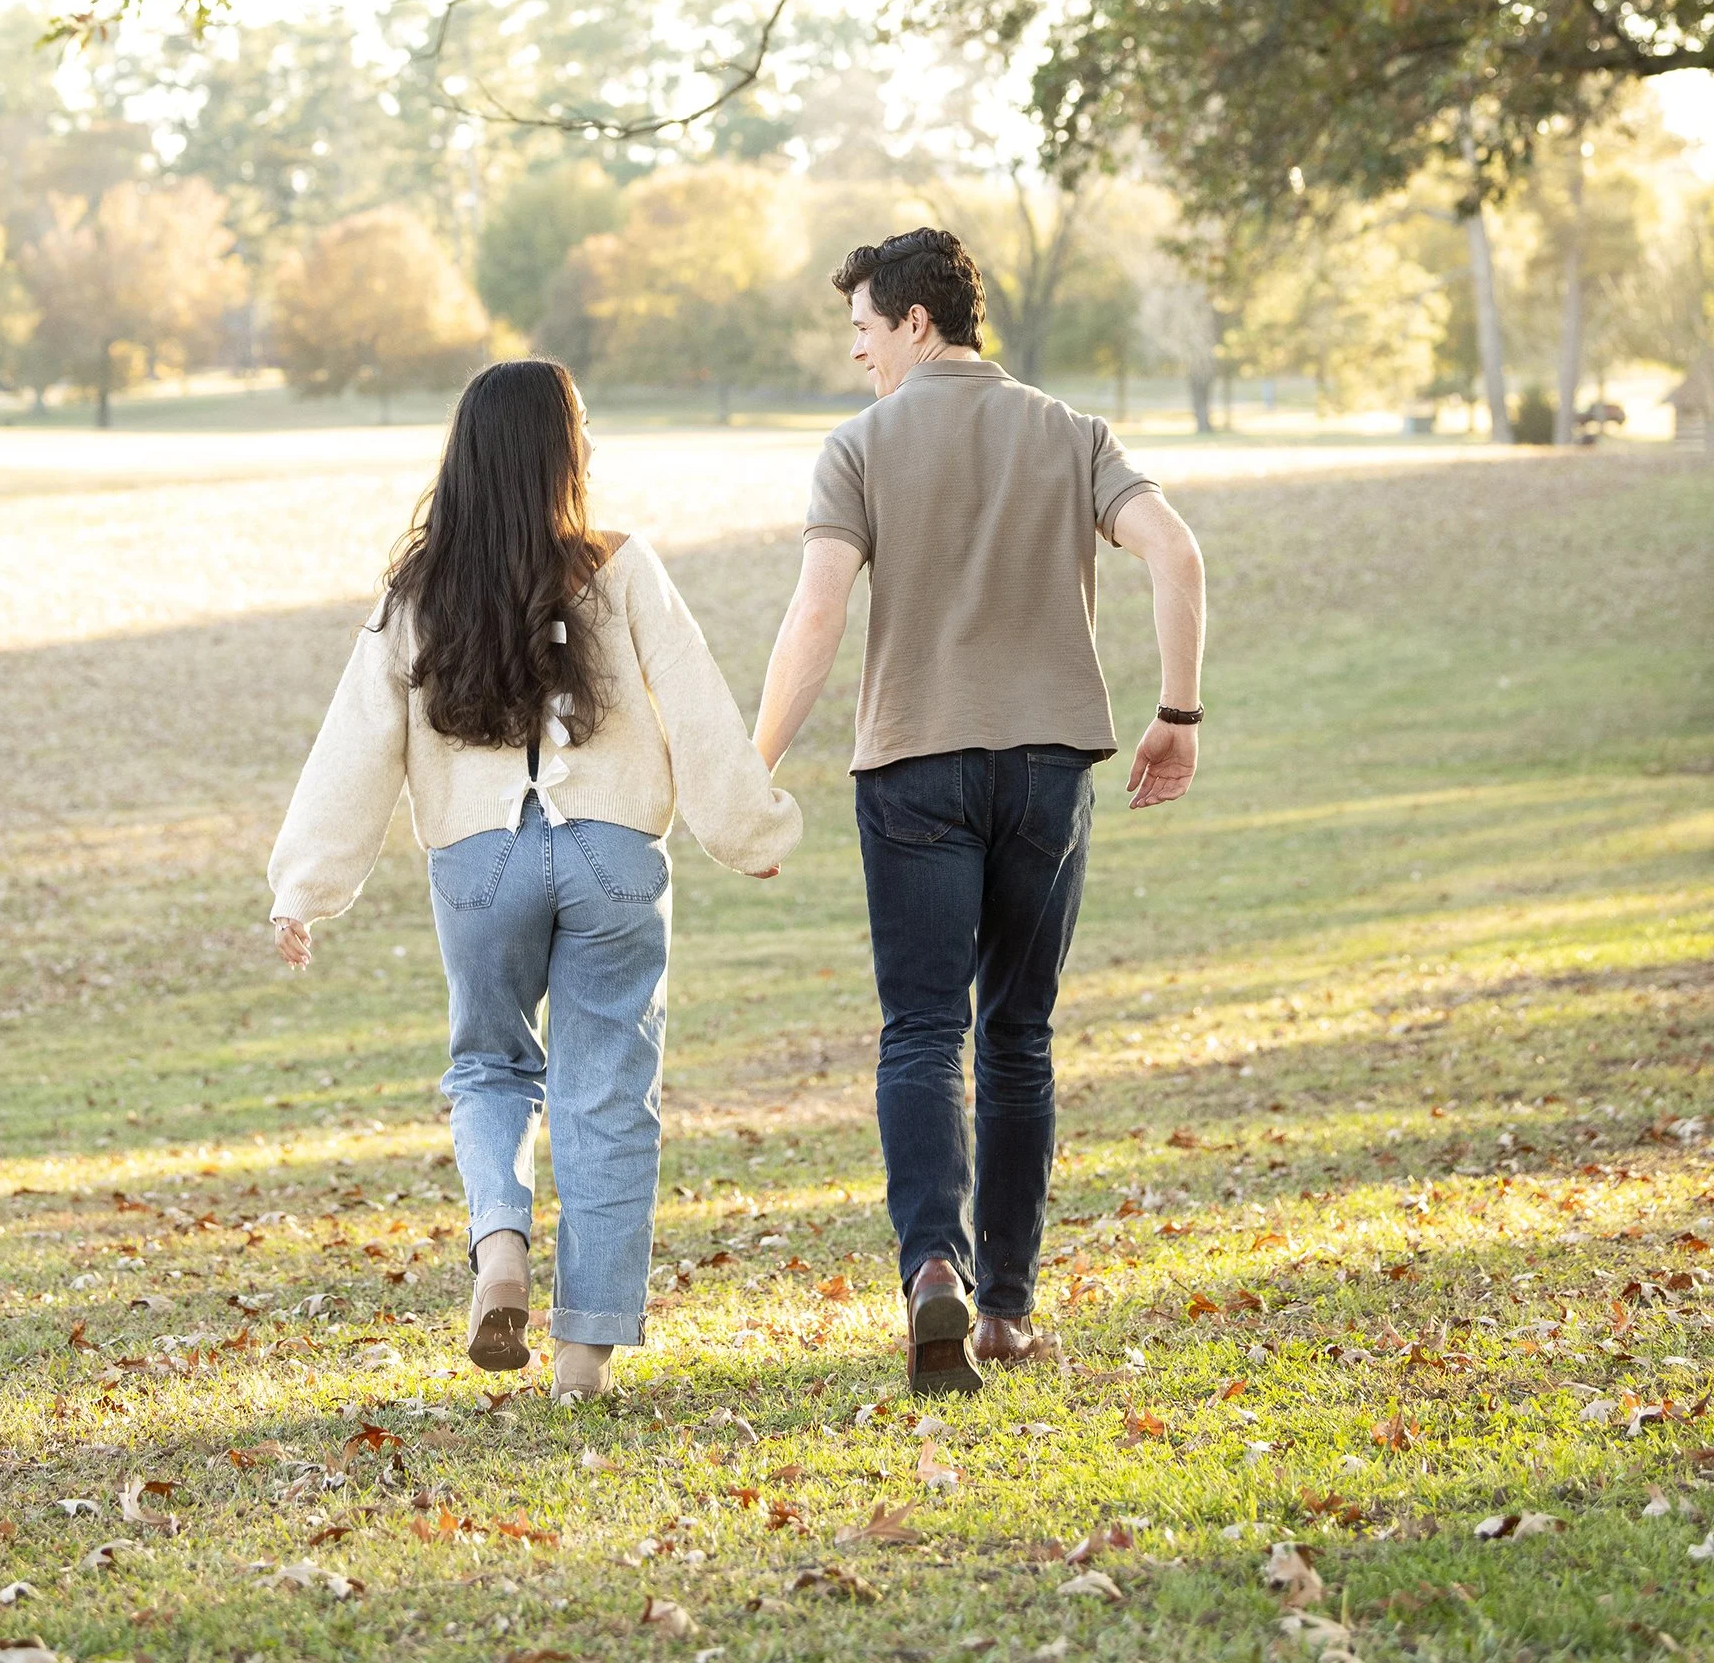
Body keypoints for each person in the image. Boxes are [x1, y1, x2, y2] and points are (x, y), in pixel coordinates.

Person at [267, 358, 799, 1401]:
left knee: (488, 1069)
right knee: (607, 1095)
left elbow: (357, 738)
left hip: (478, 862)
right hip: (611, 857)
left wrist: (303, 887)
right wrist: (745, 827)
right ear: (556, 450)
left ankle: (501, 1248)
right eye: (581, 425)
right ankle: (582, 1357)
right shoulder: (621, 565)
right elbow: (695, 701)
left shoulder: (418, 590)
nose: (592, 442)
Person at [752, 228, 1205, 1396]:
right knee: (1017, 1035)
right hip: (1048, 769)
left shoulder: (857, 448)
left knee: (920, 1030)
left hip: (912, 766)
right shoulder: (1072, 433)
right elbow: (1174, 553)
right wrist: (1175, 713)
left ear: (914, 320)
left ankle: (931, 1269)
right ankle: (1003, 1313)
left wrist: (754, 766)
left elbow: (816, 616)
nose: (855, 350)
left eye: (863, 327)